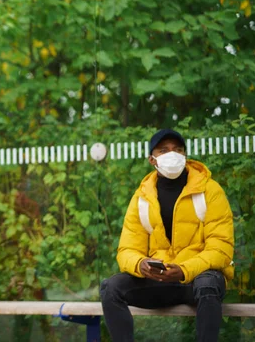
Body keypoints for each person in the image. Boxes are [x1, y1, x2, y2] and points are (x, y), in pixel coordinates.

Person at [100, 129, 234, 342]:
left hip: (197, 280)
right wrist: (140, 264)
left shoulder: (210, 191)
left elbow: (221, 249)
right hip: (160, 280)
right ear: (152, 159)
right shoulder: (141, 198)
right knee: (110, 288)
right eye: (164, 150)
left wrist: (184, 270)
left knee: (208, 284)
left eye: (177, 150)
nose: (172, 154)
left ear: (185, 155)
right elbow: (126, 250)